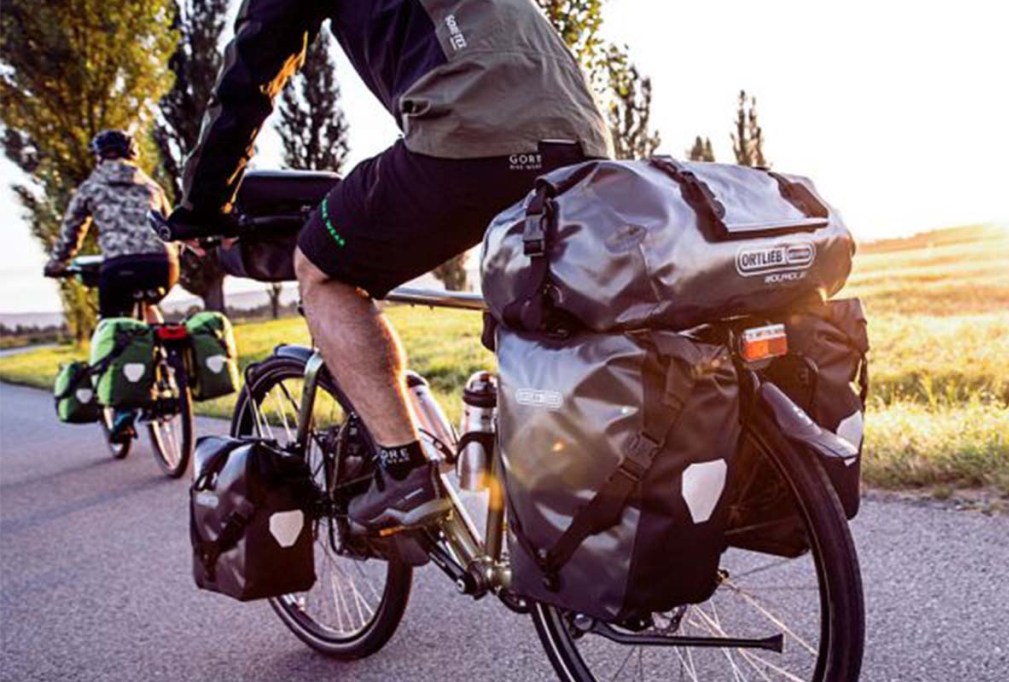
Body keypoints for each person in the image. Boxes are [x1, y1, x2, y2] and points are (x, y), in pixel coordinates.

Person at [167, 0, 611, 531]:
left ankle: (404, 472)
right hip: (582, 139)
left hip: (467, 131)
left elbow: (249, 77)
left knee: (323, 269)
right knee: (534, 305)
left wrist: (202, 208)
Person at [45, 130, 179, 441]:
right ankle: (172, 368)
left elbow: (71, 231)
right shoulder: (151, 184)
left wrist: (56, 265)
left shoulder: (92, 186)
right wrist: (176, 255)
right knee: (149, 307)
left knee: (114, 327)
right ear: (132, 154)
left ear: (100, 156)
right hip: (163, 265)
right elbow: (171, 226)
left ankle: (123, 411)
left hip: (120, 267)